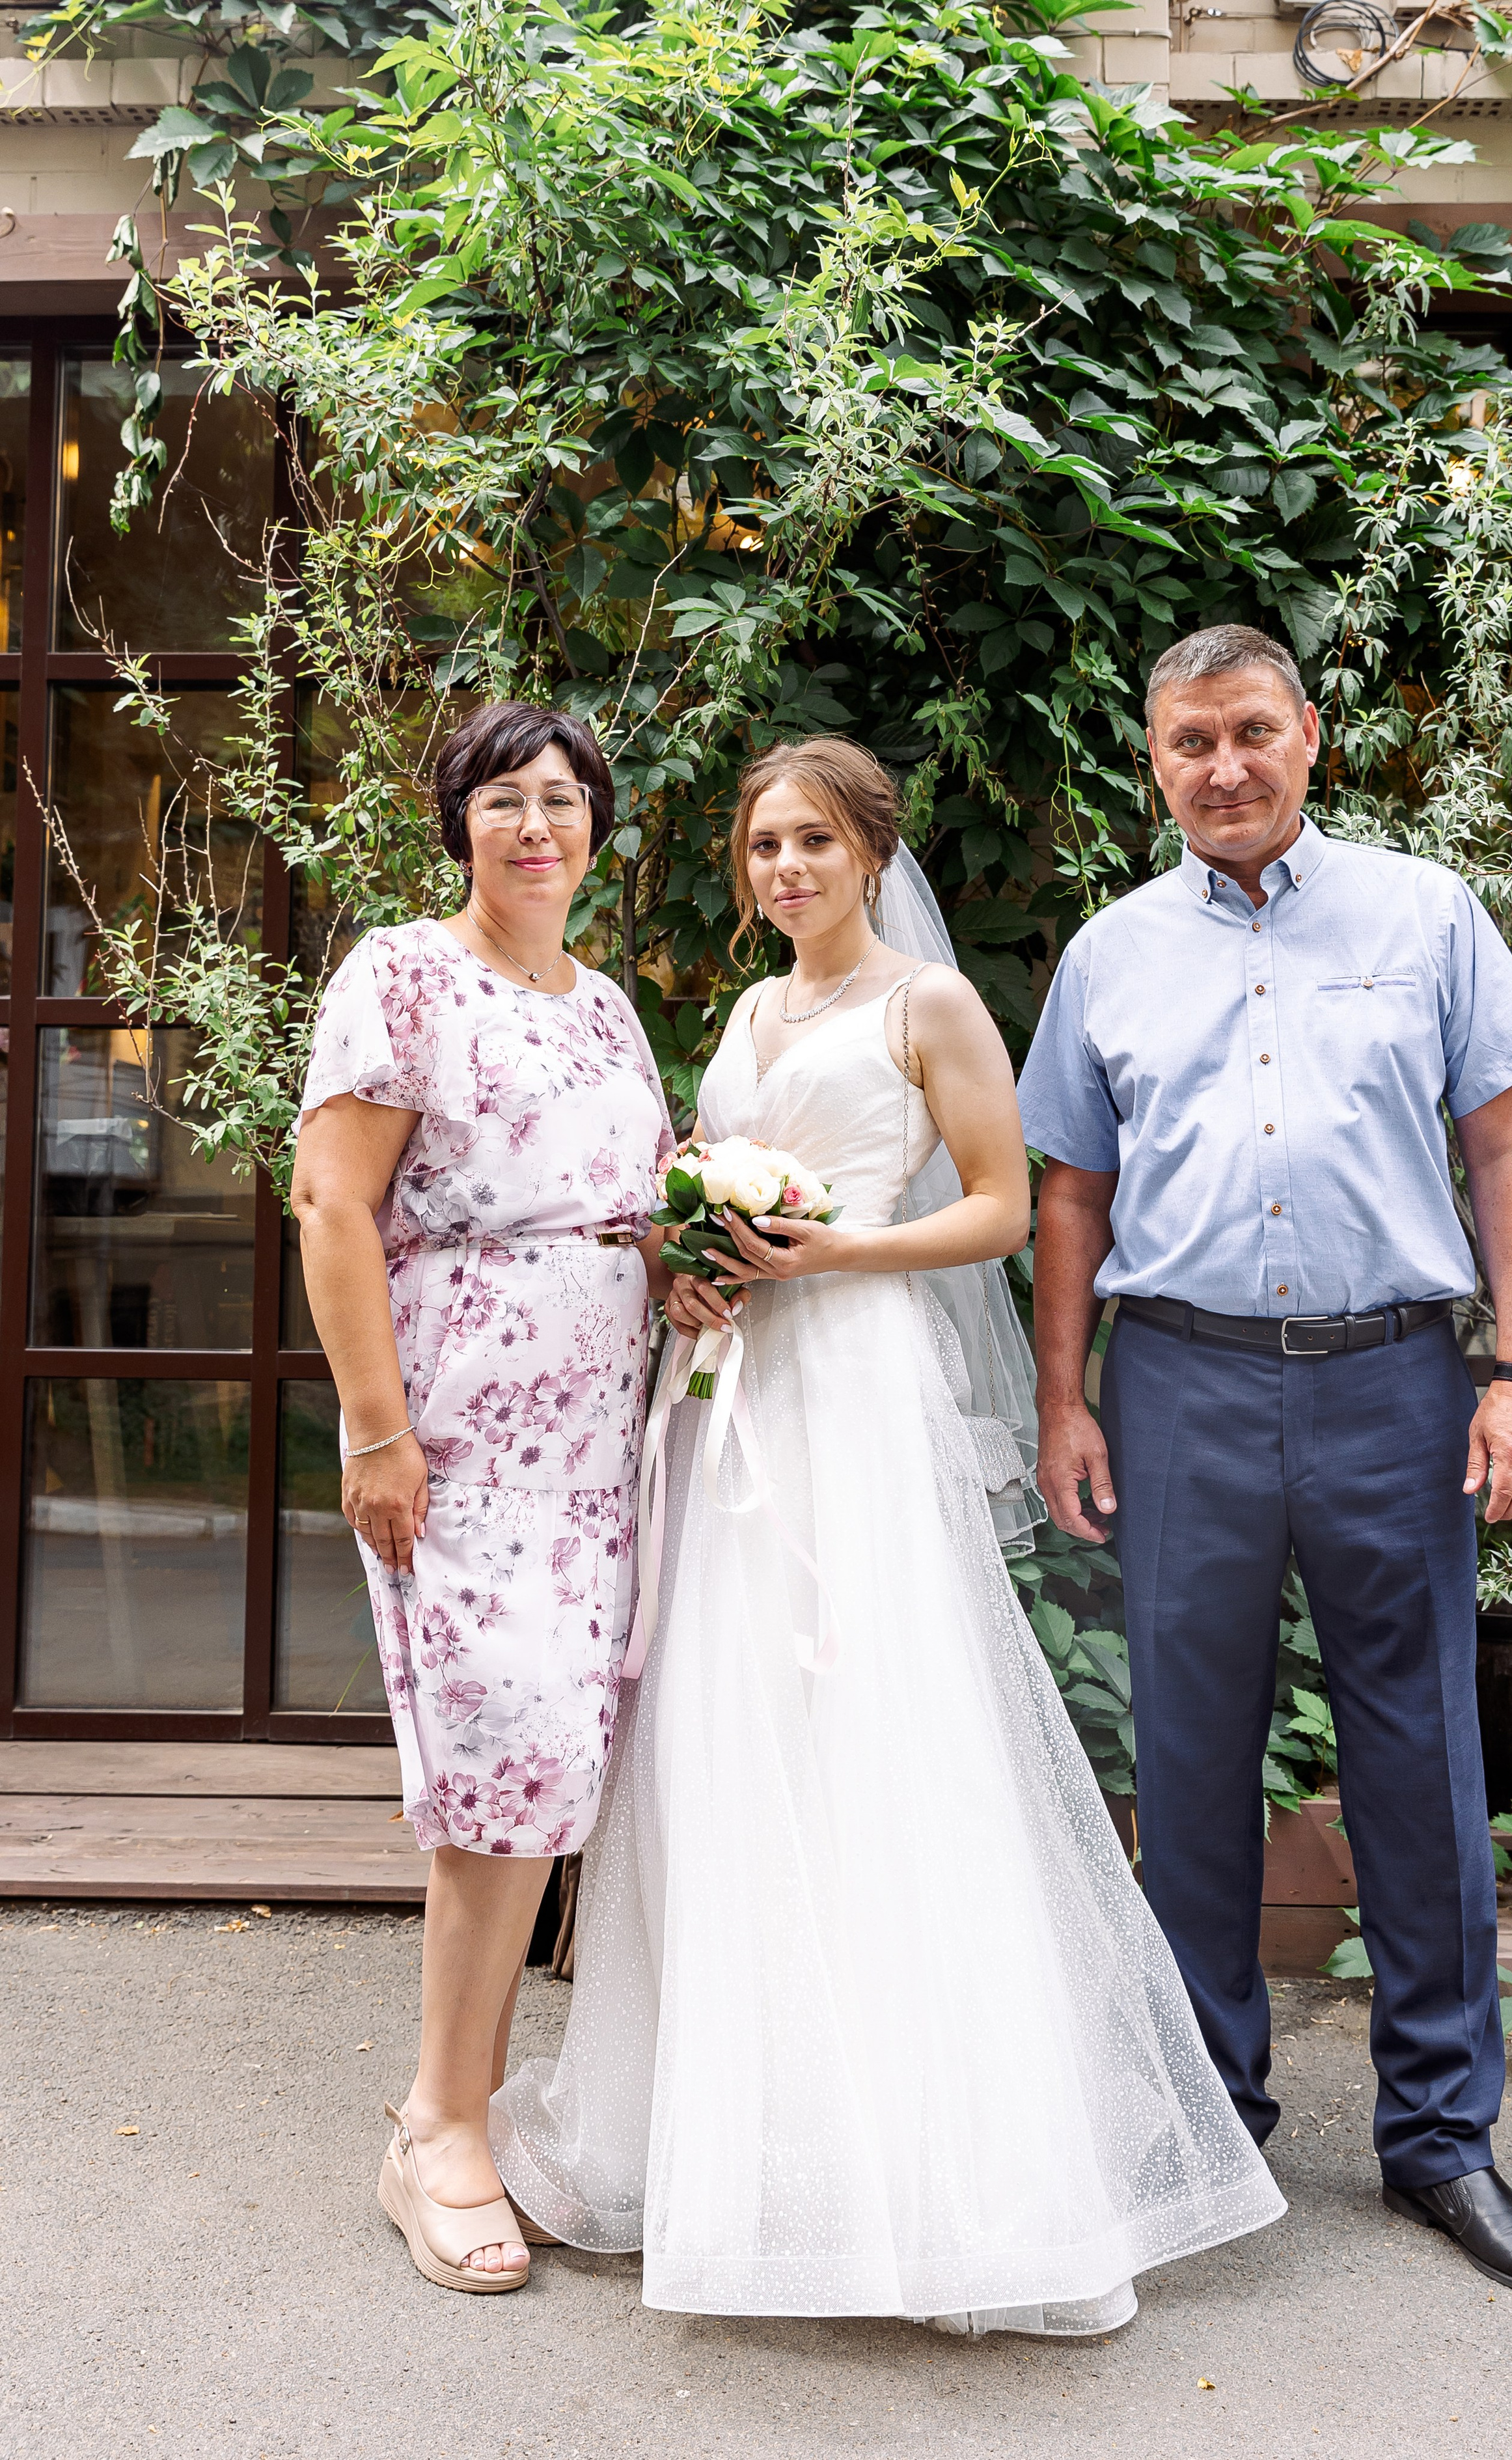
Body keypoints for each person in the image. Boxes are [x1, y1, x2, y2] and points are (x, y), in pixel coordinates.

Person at [491, 736, 1285, 2335]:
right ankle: (743, 2134)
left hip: (852, 1392)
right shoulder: (746, 1015)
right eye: (761, 844)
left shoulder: (930, 1006)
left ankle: (934, 2172)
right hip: (730, 1394)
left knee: (872, 1725)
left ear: (868, 851)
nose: (783, 867)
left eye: (811, 841)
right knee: (729, 1734)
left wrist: (828, 1254)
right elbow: (695, 1199)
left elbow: (999, 1204)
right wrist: (694, 1267)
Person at [1019, 623, 1512, 2303]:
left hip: (1392, 1385)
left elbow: (1507, 1149)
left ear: (1310, 735)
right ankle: (1212, 2130)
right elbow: (1070, 1197)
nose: (1225, 767)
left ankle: (1444, 2141)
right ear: (1154, 762)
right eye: (1190, 742)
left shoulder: (1426, 915)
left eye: (1252, 731)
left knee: (1420, 1759)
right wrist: (1064, 1401)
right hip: (1179, 1384)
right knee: (1190, 1761)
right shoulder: (1110, 954)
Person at [291, 702, 674, 2293]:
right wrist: (377, 1433)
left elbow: (625, 1211)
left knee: (554, 1769)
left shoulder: (607, 1007)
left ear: (596, 830)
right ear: (459, 822)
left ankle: (479, 2107)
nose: (535, 826)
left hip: (602, 1446)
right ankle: (436, 2130)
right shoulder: (401, 973)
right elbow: (331, 1202)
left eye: (562, 801)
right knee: (499, 1764)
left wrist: (694, 1265)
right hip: (459, 1438)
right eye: (504, 799)